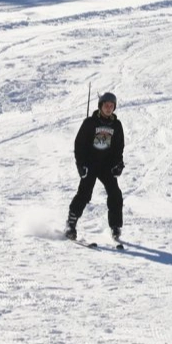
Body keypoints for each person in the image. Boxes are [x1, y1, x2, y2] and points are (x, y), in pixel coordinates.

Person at [65, 91, 126, 243]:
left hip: (106, 166)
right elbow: (79, 144)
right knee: (85, 193)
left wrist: (118, 164)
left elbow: (119, 147)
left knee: (115, 194)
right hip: (90, 163)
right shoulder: (90, 123)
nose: (108, 108)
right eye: (106, 105)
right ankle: (71, 224)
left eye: (111, 106)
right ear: (100, 106)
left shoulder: (116, 125)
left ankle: (115, 227)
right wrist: (80, 164)